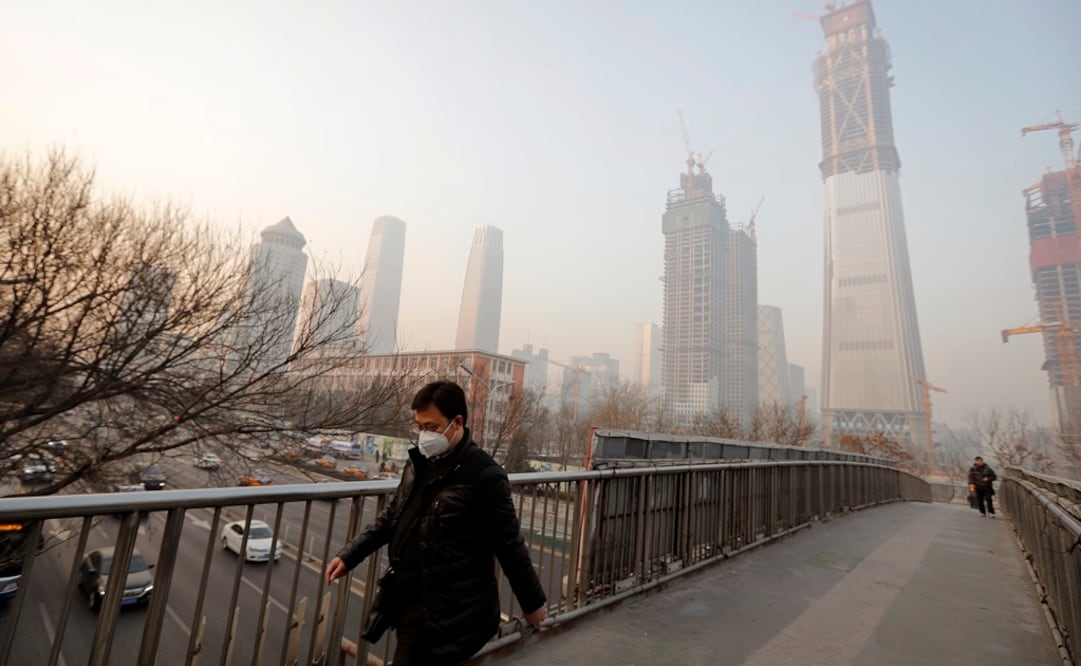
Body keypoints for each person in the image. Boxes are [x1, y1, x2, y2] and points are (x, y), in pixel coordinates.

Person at [324, 380, 547, 665]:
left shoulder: (483, 474)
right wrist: (349, 555)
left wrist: (532, 603)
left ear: (457, 422)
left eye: (430, 427)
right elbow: (393, 516)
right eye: (418, 426)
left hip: (447, 610)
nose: (423, 435)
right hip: (409, 597)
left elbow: (510, 545)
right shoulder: (420, 463)